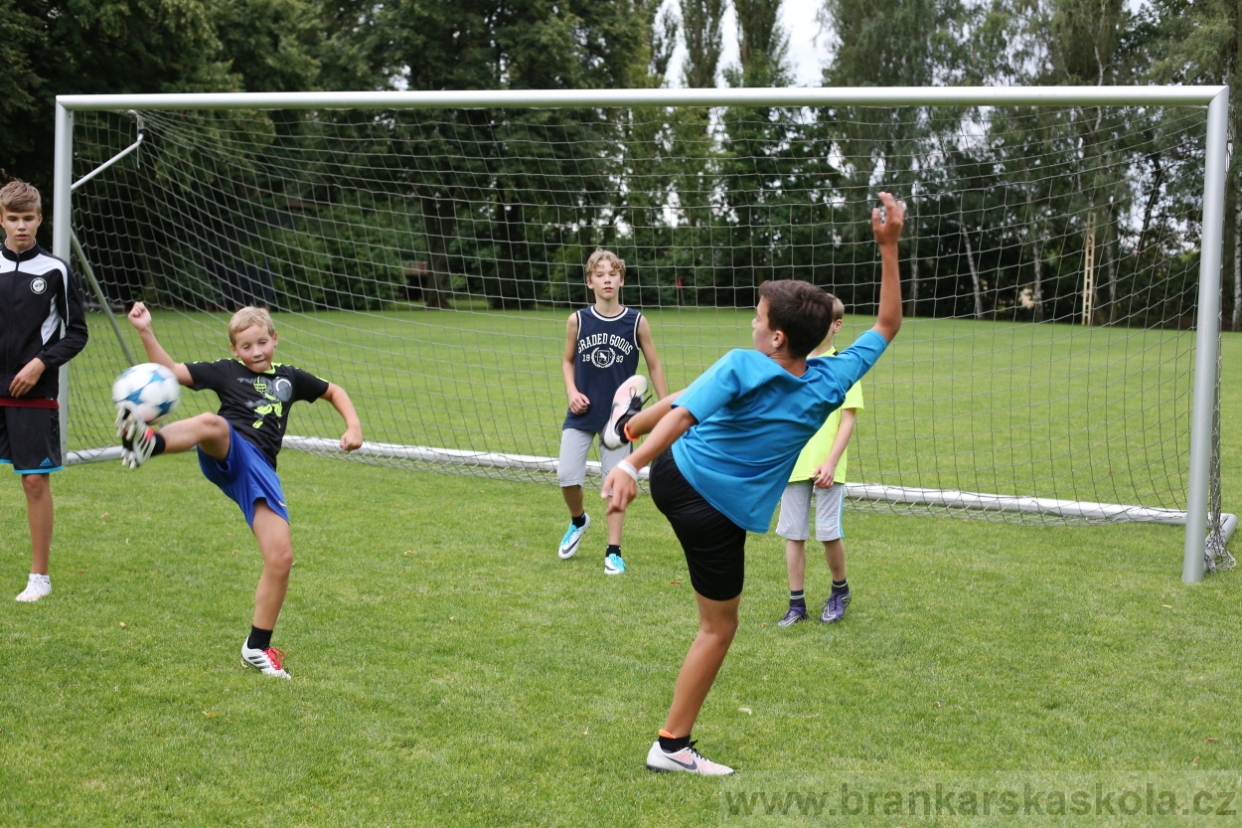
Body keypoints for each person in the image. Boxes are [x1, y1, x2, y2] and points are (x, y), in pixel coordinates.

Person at [602, 193, 905, 775]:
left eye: (758, 317)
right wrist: (888, 247)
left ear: (777, 338)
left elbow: (686, 416)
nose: (752, 321)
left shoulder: (744, 364)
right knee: (719, 628)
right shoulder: (831, 377)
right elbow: (888, 323)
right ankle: (671, 747)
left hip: (678, 471)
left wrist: (634, 460)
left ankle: (623, 422)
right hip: (705, 505)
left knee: (701, 393)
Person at [118, 303, 363, 678]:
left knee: (280, 558)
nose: (256, 352)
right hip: (228, 449)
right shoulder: (225, 371)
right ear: (235, 349)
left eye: (262, 343)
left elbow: (335, 392)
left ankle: (257, 647)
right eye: (246, 347)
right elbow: (172, 373)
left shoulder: (291, 378)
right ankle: (150, 443)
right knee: (212, 423)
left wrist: (353, 426)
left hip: (259, 471)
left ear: (275, 339)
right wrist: (145, 330)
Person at [0, 180, 89, 602]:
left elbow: (76, 333)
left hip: (32, 391)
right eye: (13, 218)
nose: (21, 226)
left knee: (34, 481)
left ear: (40, 219)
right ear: (1, 219)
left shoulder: (55, 270)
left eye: (28, 218)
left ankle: (40, 578)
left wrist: (40, 363)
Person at [556, 248, 666, 575]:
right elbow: (567, 360)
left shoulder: (636, 321)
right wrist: (572, 391)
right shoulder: (577, 320)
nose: (607, 279)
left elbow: (654, 365)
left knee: (614, 485)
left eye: (612, 273)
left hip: (620, 418)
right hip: (582, 411)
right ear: (590, 281)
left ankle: (613, 551)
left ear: (621, 279)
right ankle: (578, 521)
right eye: (600, 274)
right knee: (566, 474)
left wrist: (664, 407)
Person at [775, 295, 863, 627]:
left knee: (828, 533)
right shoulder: (792, 364)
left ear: (836, 326)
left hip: (828, 466)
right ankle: (796, 604)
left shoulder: (844, 366)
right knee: (793, 533)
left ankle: (839, 591)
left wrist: (830, 461)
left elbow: (848, 420)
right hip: (793, 464)